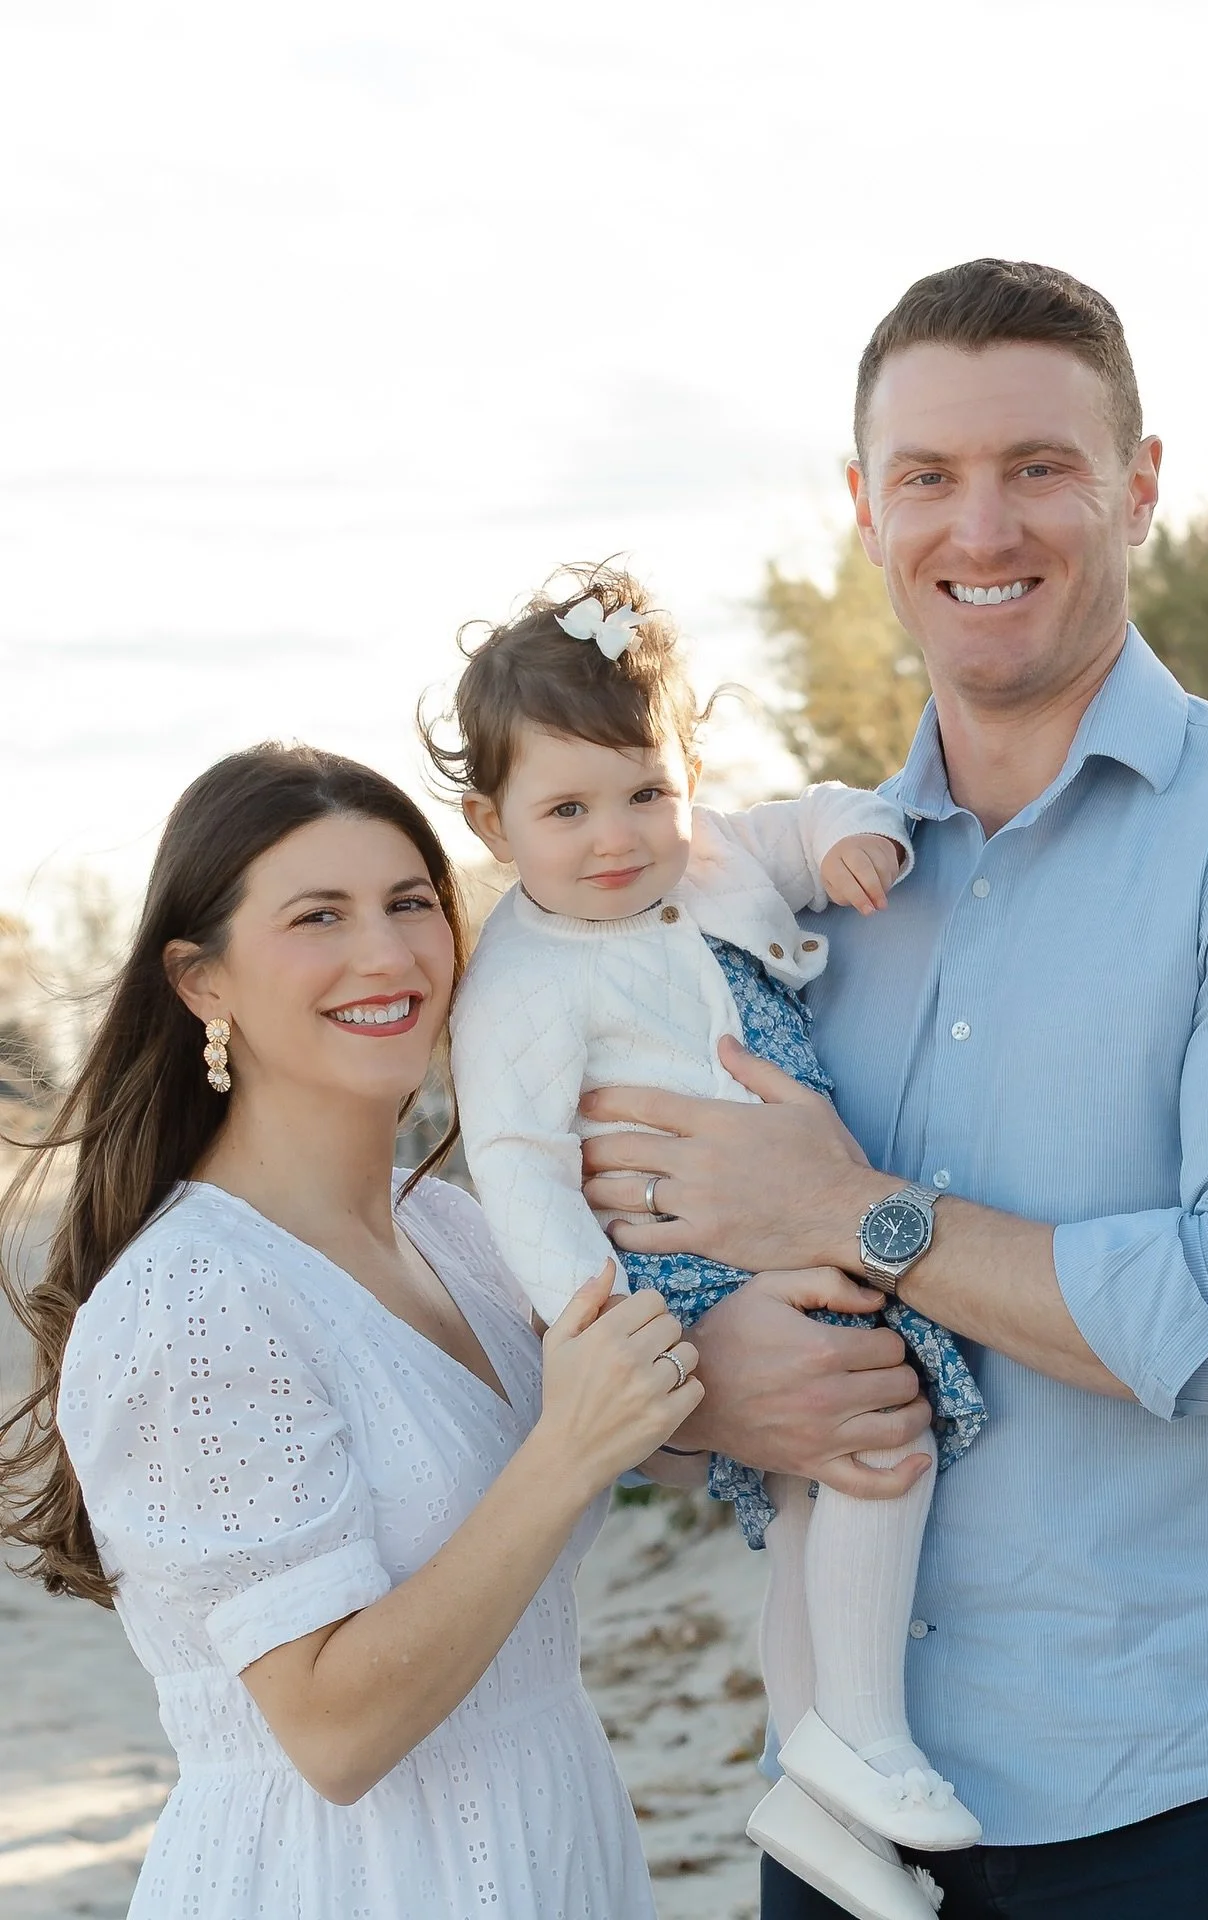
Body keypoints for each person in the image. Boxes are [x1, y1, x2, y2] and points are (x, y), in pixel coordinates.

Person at [577, 260, 1208, 1920]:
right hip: (840, 1814)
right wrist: (716, 1393)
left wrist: (855, 1216)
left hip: (1189, 1805)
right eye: (929, 478)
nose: (983, 528)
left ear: (1139, 486)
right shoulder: (802, 898)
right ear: (864, 510)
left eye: (1038, 468)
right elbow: (671, 1288)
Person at [0, 743, 705, 1920]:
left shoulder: (461, 1234)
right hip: (348, 1882)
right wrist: (569, 1451)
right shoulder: (194, 1297)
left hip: (555, 1842)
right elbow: (332, 1734)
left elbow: (640, 1428)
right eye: (317, 916)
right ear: (201, 983)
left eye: (410, 903)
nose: (385, 955)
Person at [425, 566, 984, 1913]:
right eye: (566, 810)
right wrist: (603, 1315)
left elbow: (791, 834)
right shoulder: (521, 979)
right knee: (874, 1443)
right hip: (680, 1270)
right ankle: (867, 1739)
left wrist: (854, 832)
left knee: (812, 1492)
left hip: (783, 1215)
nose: (617, 838)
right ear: (492, 821)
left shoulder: (707, 852)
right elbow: (517, 1168)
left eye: (646, 794)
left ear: (685, 777)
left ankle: (811, 1783)